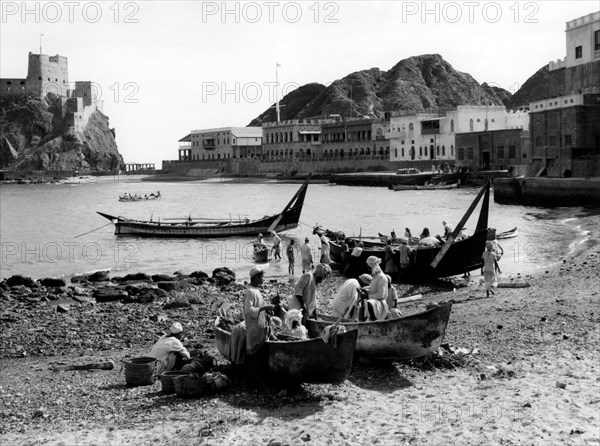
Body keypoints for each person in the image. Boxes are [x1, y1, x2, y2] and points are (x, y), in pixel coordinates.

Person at [244, 266, 275, 389]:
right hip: (253, 327)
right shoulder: (250, 291)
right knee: (252, 355)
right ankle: (250, 383)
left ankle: (258, 381)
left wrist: (267, 313)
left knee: (259, 354)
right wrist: (264, 308)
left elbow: (258, 308)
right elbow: (249, 310)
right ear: (256, 277)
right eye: (261, 277)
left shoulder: (256, 290)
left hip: (259, 326)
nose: (263, 279)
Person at [362, 256, 389, 321]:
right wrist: (364, 290)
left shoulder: (381, 277)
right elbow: (373, 288)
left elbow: (380, 295)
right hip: (375, 300)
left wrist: (367, 296)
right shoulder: (375, 276)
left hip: (380, 303)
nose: (368, 268)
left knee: (368, 303)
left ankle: (373, 320)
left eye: (368, 266)